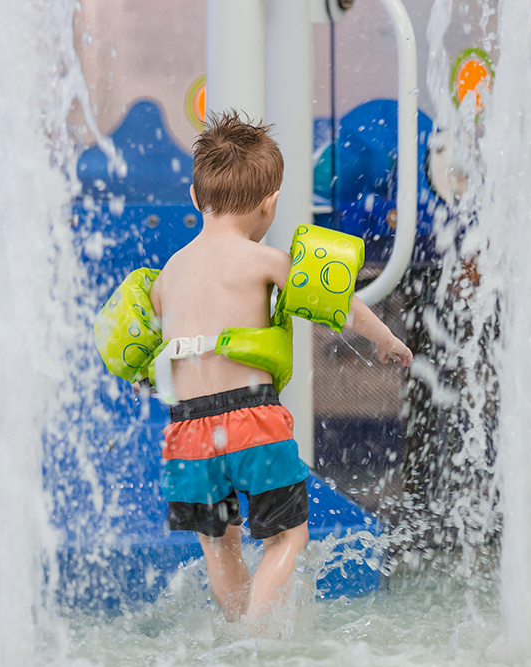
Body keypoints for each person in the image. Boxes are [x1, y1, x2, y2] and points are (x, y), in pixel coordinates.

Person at [148, 111, 412, 622]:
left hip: (186, 433)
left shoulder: (167, 276)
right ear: (269, 205)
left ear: (194, 196)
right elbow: (339, 304)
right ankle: (258, 639)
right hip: (250, 421)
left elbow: (152, 353)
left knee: (218, 543)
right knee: (287, 537)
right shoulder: (263, 259)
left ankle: (237, 632)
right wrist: (385, 339)